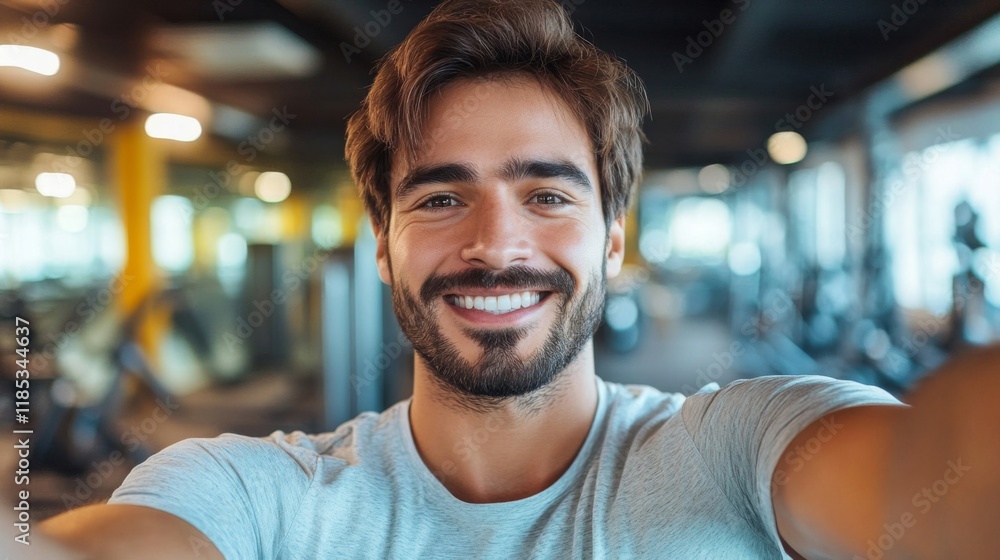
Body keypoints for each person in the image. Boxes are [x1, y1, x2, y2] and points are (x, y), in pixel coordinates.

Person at [33, 1, 1000, 558]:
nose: (497, 244)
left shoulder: (743, 449)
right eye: (441, 199)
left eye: (547, 196)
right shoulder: (251, 493)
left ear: (612, 241)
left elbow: (932, 490)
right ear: (383, 243)